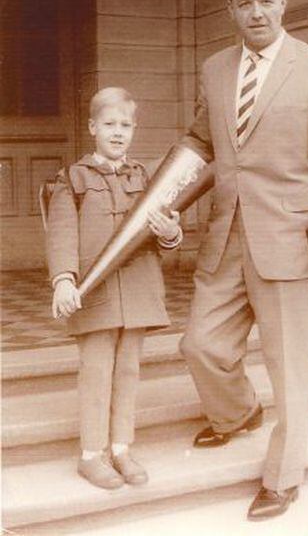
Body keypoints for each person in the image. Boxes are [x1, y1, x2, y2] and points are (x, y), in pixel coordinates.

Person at [180, 0, 308, 520]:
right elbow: (198, 142)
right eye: (244, 2)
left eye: (266, 0)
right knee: (200, 345)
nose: (255, 11)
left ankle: (283, 480)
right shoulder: (213, 68)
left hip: (292, 239)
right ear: (230, 9)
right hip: (226, 237)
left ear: (283, 3)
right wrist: (159, 205)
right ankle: (237, 414)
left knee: (290, 371)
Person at [46, 87, 182, 489]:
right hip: (96, 292)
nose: (118, 132)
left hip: (138, 290)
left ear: (134, 129)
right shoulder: (72, 178)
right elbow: (61, 234)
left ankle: (121, 448)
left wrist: (171, 232)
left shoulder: (146, 178)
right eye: (109, 124)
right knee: (96, 370)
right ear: (92, 128)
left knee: (128, 370)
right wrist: (64, 280)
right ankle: (92, 454)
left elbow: (166, 234)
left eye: (125, 125)